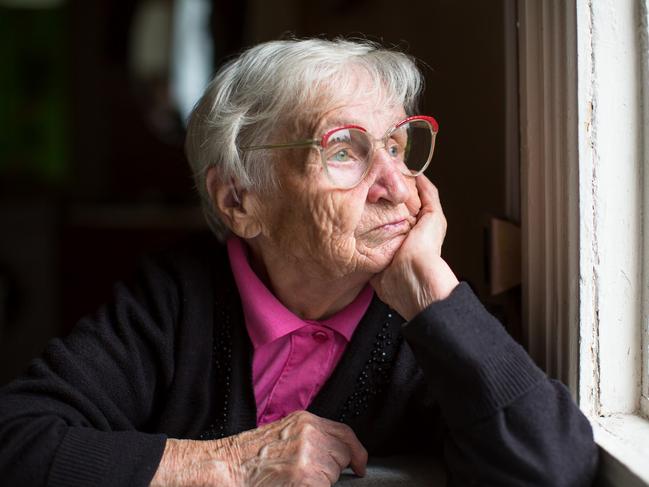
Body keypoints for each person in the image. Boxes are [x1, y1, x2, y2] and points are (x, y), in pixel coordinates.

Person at [0, 38, 598, 486]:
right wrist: (231, 466)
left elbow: (555, 464)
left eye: (396, 145)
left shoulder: (426, 322)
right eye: (344, 150)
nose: (396, 183)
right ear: (240, 199)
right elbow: (15, 440)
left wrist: (430, 289)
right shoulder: (173, 302)